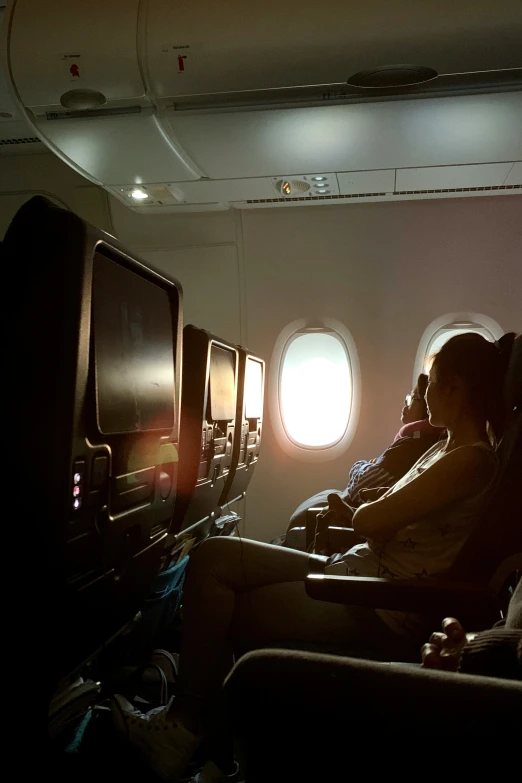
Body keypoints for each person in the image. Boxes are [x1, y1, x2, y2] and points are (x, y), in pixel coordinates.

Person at [110, 332, 515, 782]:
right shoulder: (445, 447)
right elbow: (385, 516)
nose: (424, 392)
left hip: (380, 602)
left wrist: (363, 513)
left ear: (457, 387)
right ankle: (194, 733)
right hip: (361, 569)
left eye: (433, 382)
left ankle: (193, 738)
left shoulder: (472, 460)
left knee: (229, 609)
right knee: (213, 557)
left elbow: (375, 521)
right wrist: (366, 513)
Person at [282, 373, 443, 548]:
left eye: (412, 398)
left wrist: (359, 465)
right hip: (361, 513)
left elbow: (364, 484)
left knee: (289, 535)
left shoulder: (415, 444)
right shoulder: (416, 440)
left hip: (360, 521)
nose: (406, 403)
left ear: (426, 407)